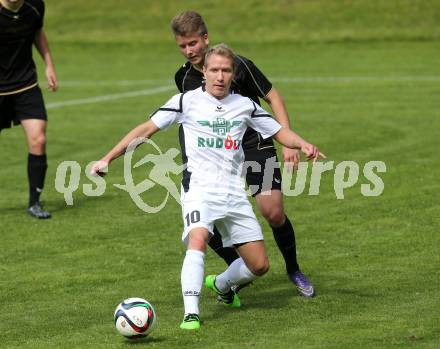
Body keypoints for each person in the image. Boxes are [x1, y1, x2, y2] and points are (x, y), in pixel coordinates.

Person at [91, 44, 323, 330]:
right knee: (198, 238)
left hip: (234, 193)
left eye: (226, 70)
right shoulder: (185, 101)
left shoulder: (245, 106)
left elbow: (278, 131)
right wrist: (107, 158)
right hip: (199, 189)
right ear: (204, 72)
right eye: (214, 70)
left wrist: (302, 143)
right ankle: (191, 313)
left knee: (259, 266)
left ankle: (222, 284)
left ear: (233, 74)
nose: (220, 76)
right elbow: (144, 130)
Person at [171, 11, 315, 296]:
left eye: (193, 43)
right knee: (205, 217)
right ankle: (235, 269)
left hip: (255, 144)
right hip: (216, 156)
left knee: (273, 213)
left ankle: (294, 269)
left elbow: (273, 97)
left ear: (205, 38)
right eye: (183, 46)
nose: (189, 51)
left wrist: (287, 142)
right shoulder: (183, 77)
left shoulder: (237, 65)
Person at [0, 0, 57, 218]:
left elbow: (37, 32)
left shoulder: (35, 6)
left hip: (26, 85)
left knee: (38, 140)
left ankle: (35, 203)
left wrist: (49, 65)